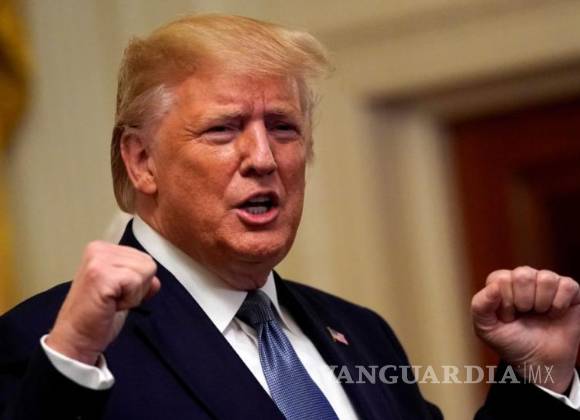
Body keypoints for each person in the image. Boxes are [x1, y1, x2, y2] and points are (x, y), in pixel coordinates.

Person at [1, 14, 579, 420]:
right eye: (223, 129)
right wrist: (71, 362)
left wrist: (539, 377)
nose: (263, 158)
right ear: (142, 160)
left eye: (282, 127)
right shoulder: (53, 345)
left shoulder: (362, 335)